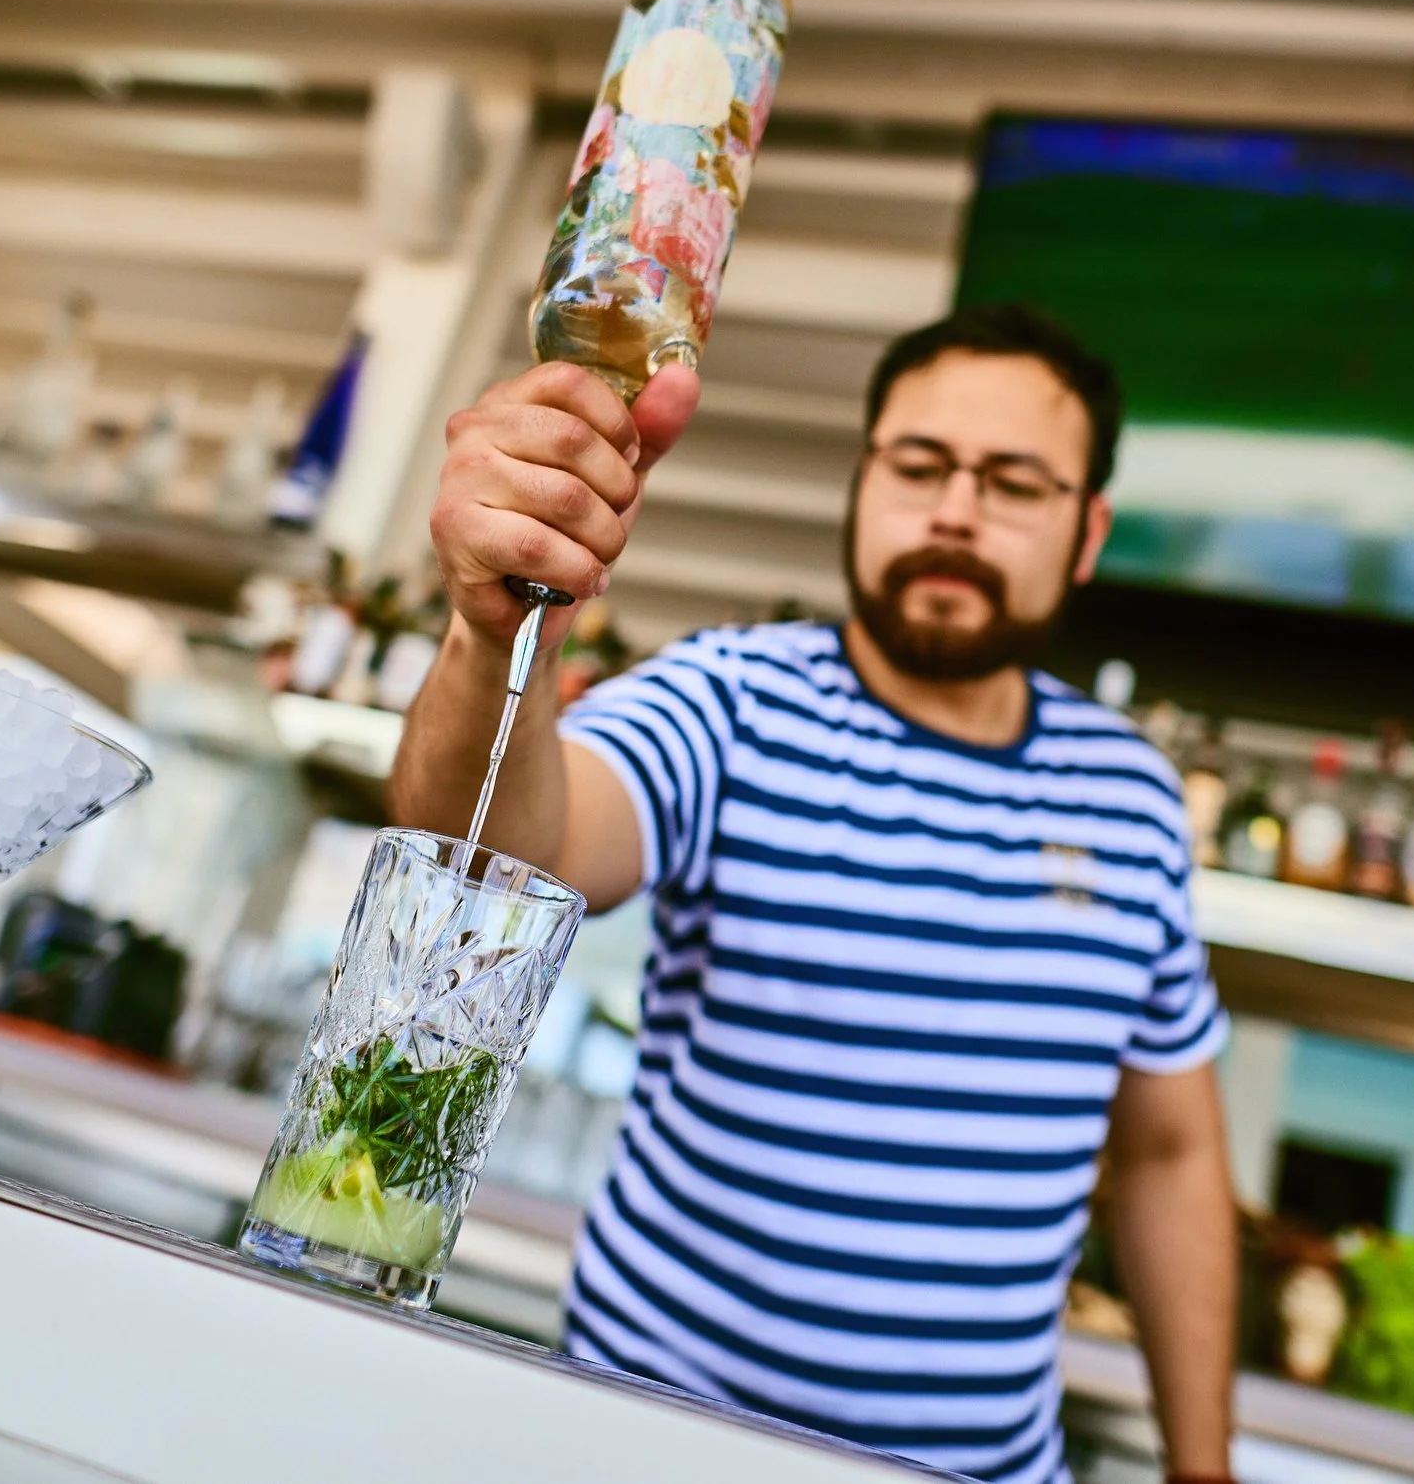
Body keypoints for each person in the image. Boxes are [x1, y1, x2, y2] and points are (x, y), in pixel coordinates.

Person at [394, 304, 1236, 1484]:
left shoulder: (1134, 801)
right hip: (648, 1447)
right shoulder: (730, 702)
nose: (954, 510)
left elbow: (1168, 1153)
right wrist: (495, 635)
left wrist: (1206, 1469)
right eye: (922, 464)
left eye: (1013, 482)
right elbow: (489, 862)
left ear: (1086, 531)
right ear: (863, 477)